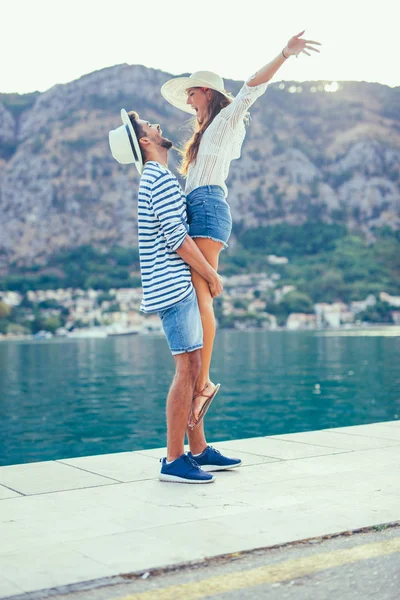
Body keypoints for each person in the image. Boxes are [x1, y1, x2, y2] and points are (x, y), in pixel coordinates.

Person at [161, 31, 321, 428]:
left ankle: (203, 382)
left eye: (192, 94)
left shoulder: (226, 120)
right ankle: (201, 382)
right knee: (198, 298)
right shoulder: (203, 137)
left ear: (207, 93)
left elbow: (251, 89)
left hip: (209, 208)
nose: (188, 102)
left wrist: (284, 53)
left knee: (203, 298)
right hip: (199, 211)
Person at [109, 109, 242, 483]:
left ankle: (198, 450)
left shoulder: (156, 178)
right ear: (145, 142)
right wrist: (210, 274)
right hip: (174, 285)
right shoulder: (160, 180)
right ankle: (173, 459)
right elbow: (177, 238)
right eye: (149, 126)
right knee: (187, 369)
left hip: (170, 285)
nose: (156, 125)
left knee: (194, 367)